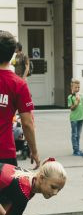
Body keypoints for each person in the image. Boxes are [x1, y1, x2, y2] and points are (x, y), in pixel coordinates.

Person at [0, 31, 39, 168]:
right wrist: (34, 151)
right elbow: (27, 123)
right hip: (4, 153)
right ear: (12, 54)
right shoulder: (18, 84)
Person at [68, 79, 83, 156]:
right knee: (74, 134)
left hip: (81, 118)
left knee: (78, 134)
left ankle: (78, 149)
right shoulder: (70, 97)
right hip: (74, 119)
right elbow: (71, 108)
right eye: (76, 87)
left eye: (78, 87)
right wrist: (76, 102)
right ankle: (75, 151)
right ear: (72, 88)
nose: (77, 89)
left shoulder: (80, 96)